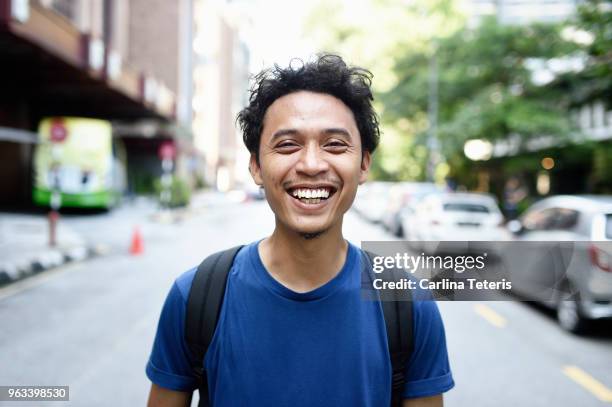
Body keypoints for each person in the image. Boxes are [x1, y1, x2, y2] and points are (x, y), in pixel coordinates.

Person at [146, 54, 454, 407]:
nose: (311, 164)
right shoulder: (196, 296)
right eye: (288, 145)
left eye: (335, 145)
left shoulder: (408, 305)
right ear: (257, 167)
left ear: (364, 163)